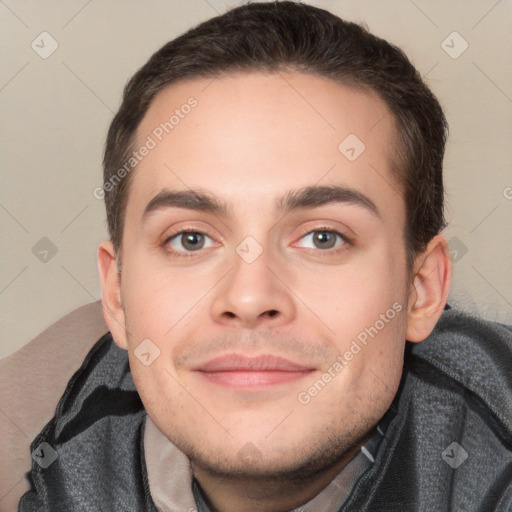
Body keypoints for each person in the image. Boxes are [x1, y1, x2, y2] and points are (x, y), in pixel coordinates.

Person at [18, 1, 512, 511]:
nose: (250, 297)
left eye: (324, 238)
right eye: (191, 239)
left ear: (421, 290)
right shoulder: (69, 449)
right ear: (117, 296)